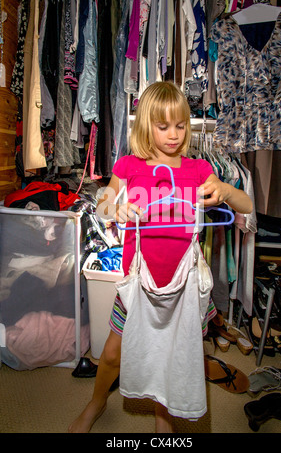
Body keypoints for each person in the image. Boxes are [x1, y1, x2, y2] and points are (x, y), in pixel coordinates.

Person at [68, 81, 253, 433]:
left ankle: (162, 417)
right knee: (110, 353)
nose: (173, 134)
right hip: (139, 285)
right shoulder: (129, 166)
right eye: (163, 126)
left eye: (180, 125)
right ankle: (97, 401)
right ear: (144, 126)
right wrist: (117, 208)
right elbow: (104, 203)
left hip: (183, 287)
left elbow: (246, 206)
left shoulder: (198, 170)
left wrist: (227, 190)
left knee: (173, 356)